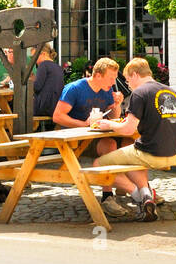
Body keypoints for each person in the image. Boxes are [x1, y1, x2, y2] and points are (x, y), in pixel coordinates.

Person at [94, 57, 176, 222]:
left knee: (97, 165)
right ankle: (146, 194)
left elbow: (128, 129)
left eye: (127, 80)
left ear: (134, 75)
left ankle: (138, 197)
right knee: (130, 158)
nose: (128, 85)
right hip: (173, 153)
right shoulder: (170, 91)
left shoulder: (140, 93)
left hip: (151, 152)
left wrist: (109, 125)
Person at [53, 57, 128, 214]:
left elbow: (114, 116)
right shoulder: (74, 88)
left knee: (126, 142)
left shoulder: (107, 90)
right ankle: (111, 195)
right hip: (74, 139)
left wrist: (117, 104)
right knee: (113, 145)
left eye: (115, 77)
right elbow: (58, 117)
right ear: (98, 75)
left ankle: (137, 191)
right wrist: (84, 124)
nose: (114, 82)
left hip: (95, 136)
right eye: (111, 78)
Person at [31, 43, 63, 129]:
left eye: (34, 57)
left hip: (44, 107)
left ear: (43, 54)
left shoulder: (43, 65)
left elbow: (37, 87)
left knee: (21, 108)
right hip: (56, 106)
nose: (33, 60)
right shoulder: (58, 67)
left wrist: (30, 81)